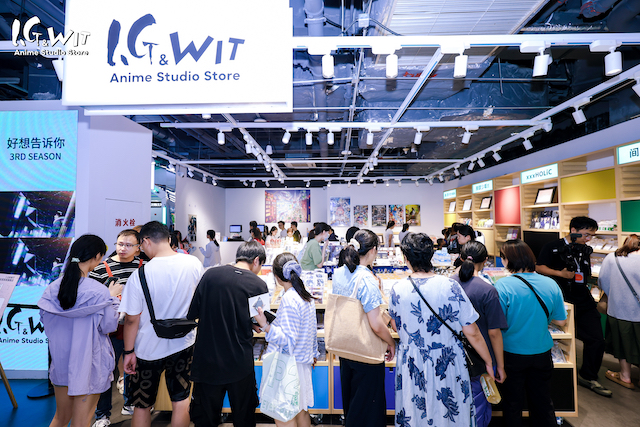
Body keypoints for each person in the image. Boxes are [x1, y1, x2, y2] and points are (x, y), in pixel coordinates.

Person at [389, 232, 493, 427]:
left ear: (406, 258)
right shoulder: (450, 285)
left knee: (416, 412)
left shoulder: (398, 289)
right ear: (431, 255)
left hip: (413, 363)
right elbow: (472, 331)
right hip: (447, 361)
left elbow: (396, 324)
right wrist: (488, 361)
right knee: (450, 412)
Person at [120, 221, 204, 427]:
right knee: (181, 401)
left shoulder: (140, 274)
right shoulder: (193, 264)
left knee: (142, 405)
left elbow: (131, 319)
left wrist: (128, 351)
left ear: (146, 241)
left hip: (147, 349)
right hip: (184, 343)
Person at [38, 235, 122, 427]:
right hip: (90, 363)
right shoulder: (99, 292)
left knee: (60, 418)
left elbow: (45, 321)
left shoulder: (52, 288)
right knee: (82, 421)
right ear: (97, 256)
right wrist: (111, 299)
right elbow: (108, 326)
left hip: (61, 361)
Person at [187, 241, 268, 427]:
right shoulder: (258, 284)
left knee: (205, 418)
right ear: (256, 260)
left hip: (207, 360)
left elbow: (194, 313)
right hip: (239, 362)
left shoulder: (210, 275)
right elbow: (259, 321)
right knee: (244, 418)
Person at [536, 216, 612, 397]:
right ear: (573, 230)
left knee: (596, 339)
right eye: (586, 234)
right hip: (560, 299)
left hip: (583, 299)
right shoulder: (552, 247)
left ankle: (588, 376)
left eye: (591, 235)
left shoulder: (584, 250)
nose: (588, 239)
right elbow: (539, 267)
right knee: (558, 337)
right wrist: (559, 273)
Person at [496, 239, 567, 427]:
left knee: (513, 403)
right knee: (542, 401)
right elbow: (561, 320)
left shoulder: (503, 286)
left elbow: (497, 324)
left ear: (508, 260)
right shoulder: (551, 284)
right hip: (542, 351)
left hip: (512, 353)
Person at [332, 229, 395, 427]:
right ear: (373, 250)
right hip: (366, 351)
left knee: (352, 402)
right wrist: (391, 341)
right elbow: (376, 324)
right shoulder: (367, 279)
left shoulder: (339, 272)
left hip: (346, 346)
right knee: (369, 408)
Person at [254, 253, 318, 427]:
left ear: (277, 277)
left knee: (282, 413)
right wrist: (314, 353)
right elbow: (311, 330)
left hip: (288, 366)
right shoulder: (304, 294)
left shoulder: (290, 299)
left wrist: (265, 326)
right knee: (301, 410)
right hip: (301, 363)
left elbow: (288, 341)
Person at [89, 229, 145, 426]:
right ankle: (102, 415)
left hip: (138, 326)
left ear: (138, 248)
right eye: (120, 244)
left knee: (134, 367)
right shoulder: (101, 268)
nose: (123, 248)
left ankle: (129, 402)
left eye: (128, 245)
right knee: (106, 371)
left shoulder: (144, 267)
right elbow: (91, 297)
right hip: (110, 328)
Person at [451, 241, 507, 427]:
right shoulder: (488, 290)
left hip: (451, 356)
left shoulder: (447, 284)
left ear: (460, 258)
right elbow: (494, 332)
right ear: (485, 261)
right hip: (480, 360)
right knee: (477, 407)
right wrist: (499, 365)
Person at [598, 234, 640, 390]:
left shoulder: (612, 258)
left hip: (619, 310)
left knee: (622, 343)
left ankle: (625, 376)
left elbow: (602, 281)